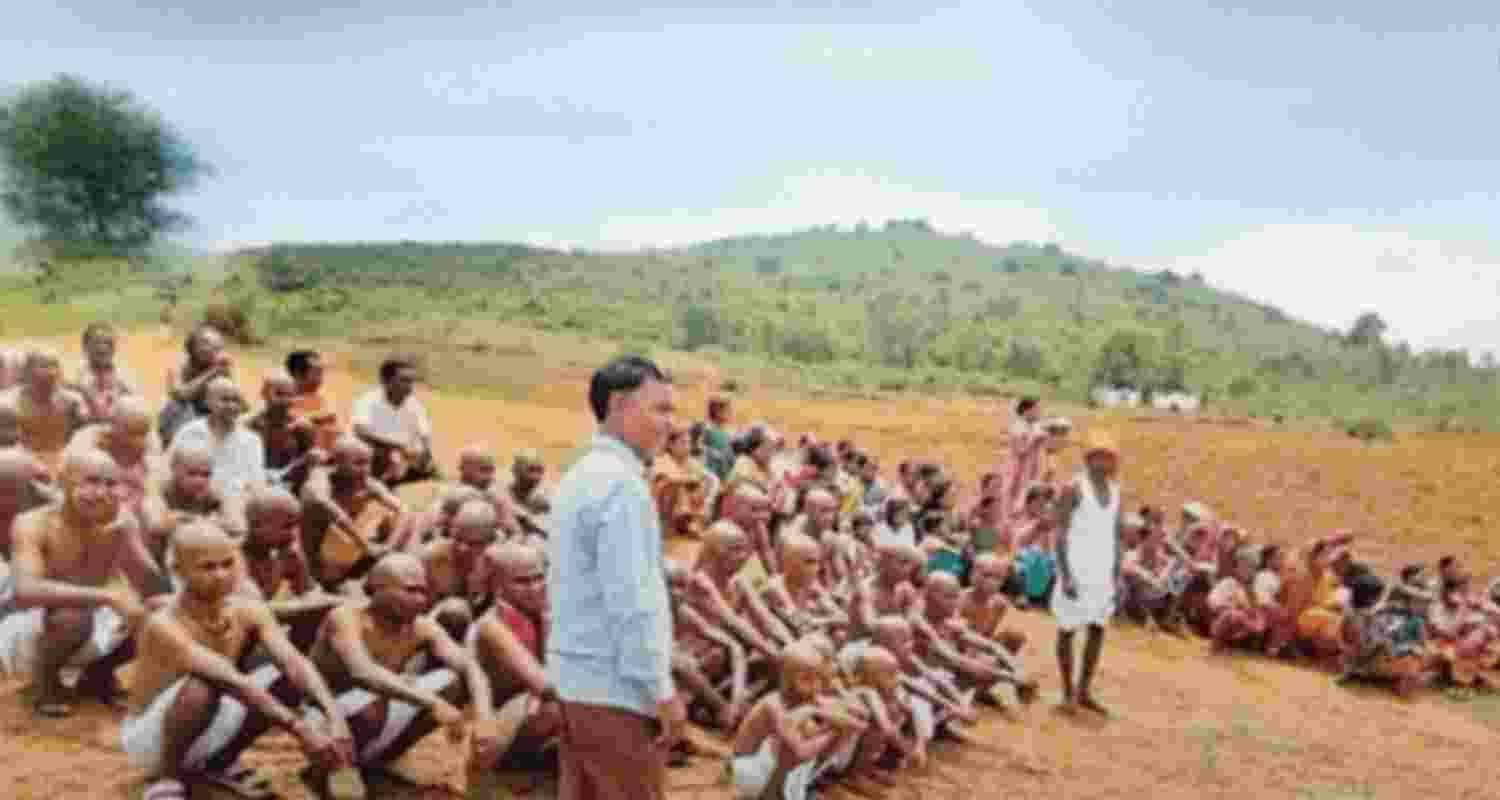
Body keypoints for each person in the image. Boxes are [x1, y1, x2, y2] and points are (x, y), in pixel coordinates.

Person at [123, 522, 353, 800]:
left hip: (210, 718)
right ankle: (167, 779)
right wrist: (300, 728)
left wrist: (335, 717)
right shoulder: (163, 623)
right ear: (178, 571)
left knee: (286, 679)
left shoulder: (247, 610)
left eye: (227, 563)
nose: (221, 575)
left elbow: (294, 662)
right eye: (207, 567)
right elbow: (230, 680)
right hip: (151, 740)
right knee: (203, 686)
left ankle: (219, 762)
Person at [547, 354, 683, 800]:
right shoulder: (622, 487)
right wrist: (660, 690)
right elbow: (632, 601)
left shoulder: (582, 475)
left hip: (578, 682)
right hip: (614, 689)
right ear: (620, 406)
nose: (670, 424)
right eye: (660, 409)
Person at [0, 448, 166, 716]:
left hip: (93, 619)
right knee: (72, 617)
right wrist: (108, 596)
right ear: (64, 482)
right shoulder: (33, 522)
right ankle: (46, 680)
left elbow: (154, 587)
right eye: (90, 481)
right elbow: (25, 591)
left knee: (161, 611)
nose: (101, 493)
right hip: (30, 627)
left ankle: (98, 674)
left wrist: (129, 541)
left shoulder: (122, 521)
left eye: (110, 484)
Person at [303, 553, 477, 795]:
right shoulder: (345, 617)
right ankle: (336, 766)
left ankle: (377, 761)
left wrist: (487, 710)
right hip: (327, 716)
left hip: (377, 708)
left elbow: (468, 666)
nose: (420, 599)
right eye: (410, 590)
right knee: (372, 704)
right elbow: (363, 673)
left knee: (453, 682)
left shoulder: (422, 626)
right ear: (378, 588)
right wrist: (432, 702)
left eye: (423, 591)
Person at [1052, 433, 1122, 716]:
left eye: (1111, 458)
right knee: (1068, 629)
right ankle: (1067, 692)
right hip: (1076, 568)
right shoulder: (1073, 488)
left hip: (1102, 572)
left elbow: (1116, 535)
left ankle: (1084, 690)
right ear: (1089, 459)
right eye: (1101, 457)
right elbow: (1060, 533)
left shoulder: (1116, 491)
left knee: (1097, 629)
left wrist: (1117, 572)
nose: (1107, 463)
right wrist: (1066, 574)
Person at [170, 378, 266, 500]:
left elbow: (257, 484)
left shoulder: (251, 441)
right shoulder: (190, 432)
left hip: (237, 502)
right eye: (225, 400)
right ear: (208, 402)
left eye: (236, 401)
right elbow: (170, 469)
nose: (231, 406)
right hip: (193, 501)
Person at [351, 356, 436, 486]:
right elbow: (361, 431)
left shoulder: (415, 405)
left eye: (411, 381)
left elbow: (424, 436)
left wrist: (425, 454)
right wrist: (398, 447)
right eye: (404, 380)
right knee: (384, 457)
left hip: (404, 459)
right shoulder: (367, 401)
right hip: (374, 458)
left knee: (432, 470)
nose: (409, 386)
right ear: (385, 381)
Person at [0, 347, 85, 472]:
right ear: (28, 371)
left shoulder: (72, 401)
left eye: (54, 365)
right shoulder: (8, 402)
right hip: (20, 463)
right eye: (44, 366)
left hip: (62, 464)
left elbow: (84, 434)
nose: (52, 372)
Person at [245, 372, 321, 494]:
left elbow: (309, 463)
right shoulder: (250, 425)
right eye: (279, 394)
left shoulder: (302, 427)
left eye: (290, 395)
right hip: (255, 485)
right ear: (264, 394)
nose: (285, 400)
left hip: (289, 487)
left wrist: (308, 460)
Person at [159, 324, 232, 448]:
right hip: (179, 419)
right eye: (205, 343)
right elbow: (181, 394)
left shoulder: (221, 369)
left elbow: (232, 400)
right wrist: (213, 372)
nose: (210, 349)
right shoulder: (179, 364)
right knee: (179, 406)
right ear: (192, 347)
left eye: (217, 346)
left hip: (207, 417)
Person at [69, 322, 140, 425]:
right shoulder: (75, 378)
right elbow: (81, 415)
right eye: (97, 343)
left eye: (108, 343)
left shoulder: (124, 376)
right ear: (85, 347)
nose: (103, 348)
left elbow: (136, 410)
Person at [286, 350, 339, 452]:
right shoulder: (282, 398)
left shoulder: (320, 399)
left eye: (321, 373)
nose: (320, 379)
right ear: (298, 374)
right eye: (316, 373)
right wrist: (316, 419)